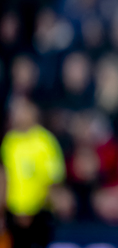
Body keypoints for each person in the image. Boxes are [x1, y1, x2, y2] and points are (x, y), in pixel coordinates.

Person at [1, 97, 65, 248]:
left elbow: (53, 179)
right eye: (16, 111)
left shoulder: (45, 141)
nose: (19, 115)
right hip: (14, 213)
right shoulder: (9, 142)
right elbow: (4, 176)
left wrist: (34, 209)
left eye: (24, 110)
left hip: (39, 214)